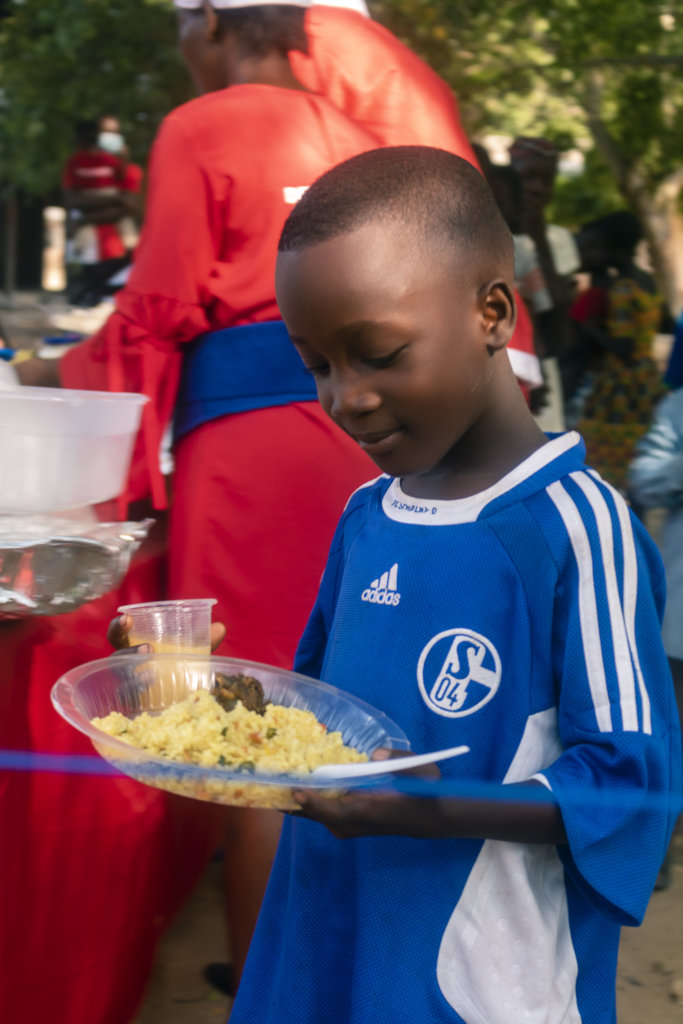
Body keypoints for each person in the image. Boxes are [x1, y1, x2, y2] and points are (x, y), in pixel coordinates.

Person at [226, 145, 681, 1023]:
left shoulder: (574, 531)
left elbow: (629, 785)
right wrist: (216, 710)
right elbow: (313, 713)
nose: (345, 398)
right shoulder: (366, 515)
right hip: (325, 931)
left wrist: (427, 809)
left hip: (468, 978)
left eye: (379, 353)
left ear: (492, 313)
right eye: (318, 364)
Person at [628, 389, 683, 888]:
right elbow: (644, 478)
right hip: (680, 627)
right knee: (668, 745)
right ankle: (653, 860)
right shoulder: (678, 409)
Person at [576, 211, 667, 494]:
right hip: (647, 378)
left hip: (621, 385)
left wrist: (589, 327)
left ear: (615, 247)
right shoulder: (647, 281)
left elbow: (623, 348)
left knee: (601, 462)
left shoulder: (623, 288)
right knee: (638, 459)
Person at [509, 136, 581, 430]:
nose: (537, 188)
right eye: (527, 178)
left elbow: (559, 311)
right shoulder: (487, 235)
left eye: (547, 180)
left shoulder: (559, 239)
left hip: (543, 365)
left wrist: (537, 237)